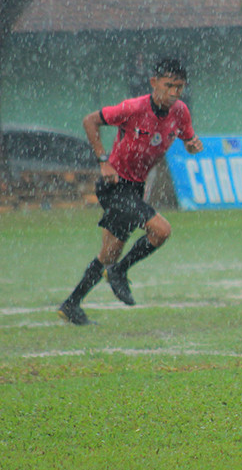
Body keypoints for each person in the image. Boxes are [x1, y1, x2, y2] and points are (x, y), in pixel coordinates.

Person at [57, 57, 203, 326]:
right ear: (153, 83)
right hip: (114, 185)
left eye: (179, 87)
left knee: (109, 253)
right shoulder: (133, 108)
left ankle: (71, 304)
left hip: (135, 188)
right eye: (169, 85)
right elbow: (90, 121)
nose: (174, 93)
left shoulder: (180, 111)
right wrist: (104, 162)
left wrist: (192, 145)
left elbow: (188, 137)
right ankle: (120, 272)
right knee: (161, 230)